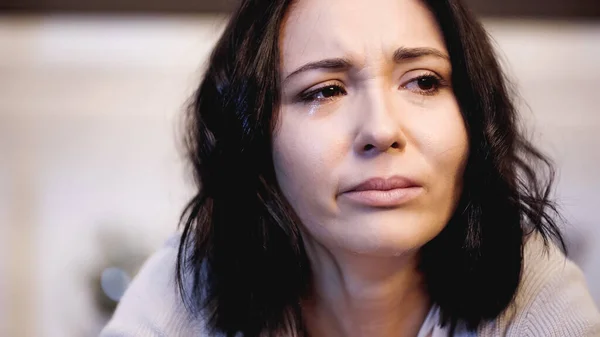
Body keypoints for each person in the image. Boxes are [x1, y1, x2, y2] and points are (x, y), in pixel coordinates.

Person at [100, 0, 600, 336]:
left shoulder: (535, 298)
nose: (381, 131)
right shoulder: (185, 295)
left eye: (423, 82)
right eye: (325, 90)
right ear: (253, 138)